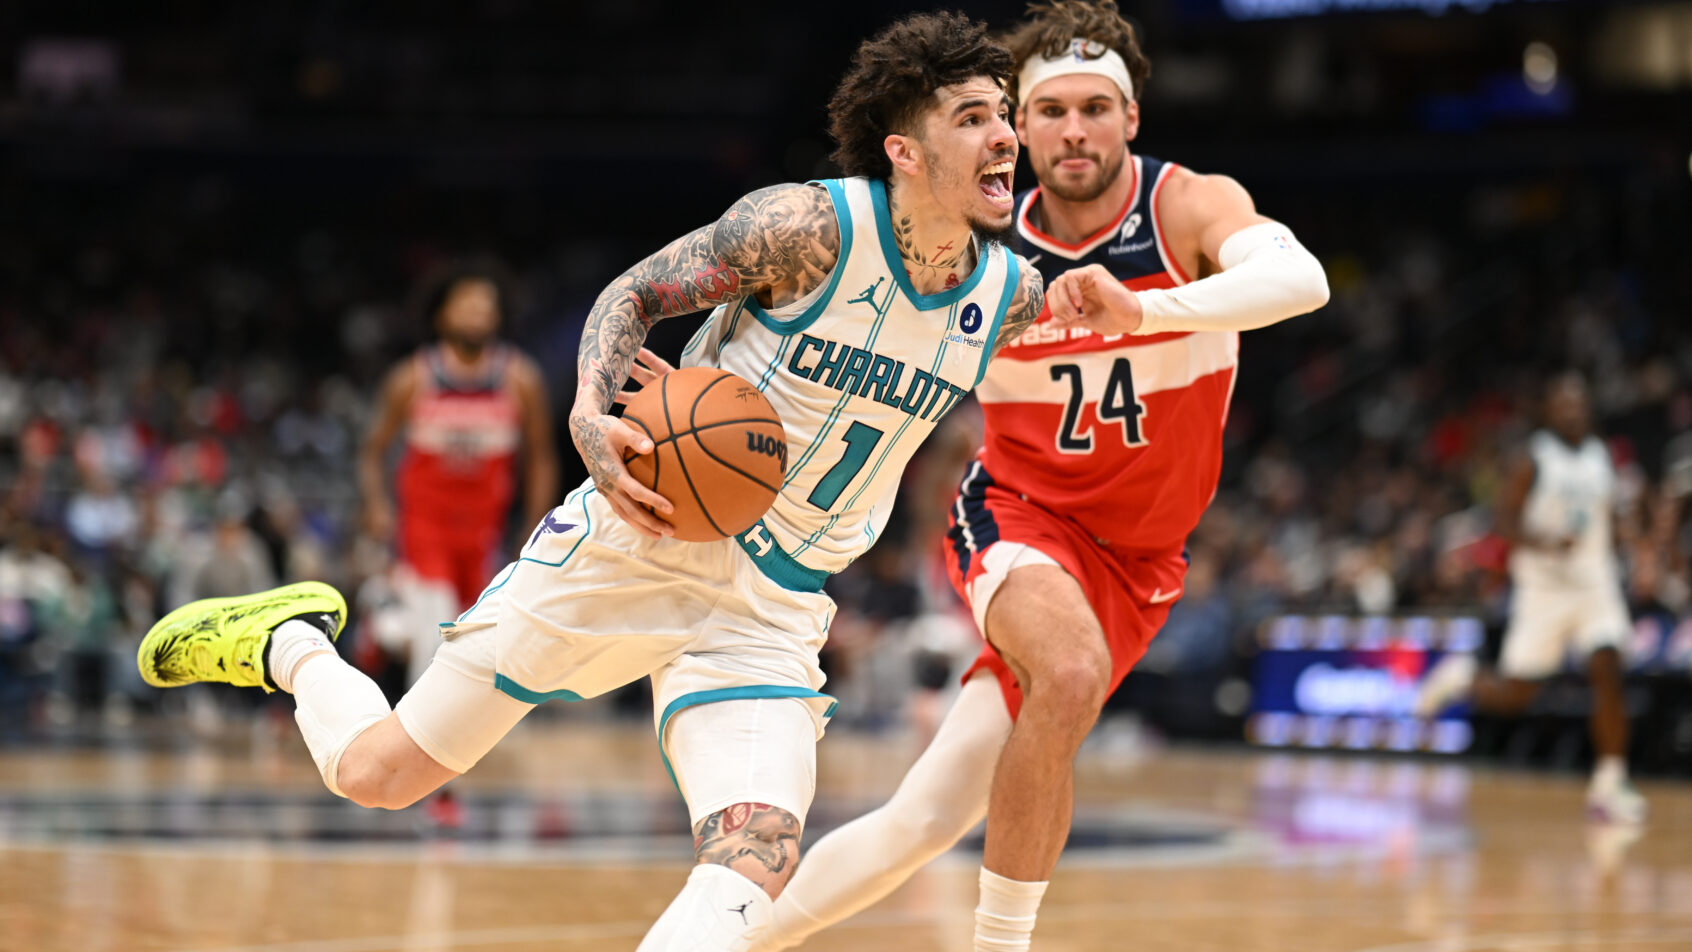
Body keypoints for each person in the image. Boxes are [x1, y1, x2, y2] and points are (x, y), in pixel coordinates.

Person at [132, 13, 1145, 951]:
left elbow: (1121, 317)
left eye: (1007, 116)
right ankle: (291, 646)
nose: (1007, 136)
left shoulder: (1010, 292)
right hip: (641, 536)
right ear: (905, 150)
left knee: (755, 851)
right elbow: (639, 292)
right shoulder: (806, 230)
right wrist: (588, 409)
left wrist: (1120, 302)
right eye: (976, 118)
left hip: (773, 603)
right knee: (381, 773)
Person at [754, 3, 1330, 950]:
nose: (1073, 131)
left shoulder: (1186, 207)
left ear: (1131, 117)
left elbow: (1300, 280)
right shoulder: (984, 239)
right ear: (1018, 125)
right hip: (1017, 516)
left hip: (1140, 564)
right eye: (1050, 110)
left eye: (1095, 109)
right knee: (1066, 669)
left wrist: (1140, 313)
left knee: (923, 819)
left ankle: (730, 939)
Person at [1417, 372, 1645, 823]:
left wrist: (1628, 540)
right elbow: (1503, 521)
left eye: (1578, 402)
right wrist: (1545, 543)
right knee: (1517, 693)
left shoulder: (1602, 456)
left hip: (1594, 584)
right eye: (1562, 402)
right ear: (1548, 411)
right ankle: (1463, 676)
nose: (1572, 409)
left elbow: (1608, 519)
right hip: (1543, 590)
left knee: (1607, 666)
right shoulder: (1533, 459)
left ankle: (1610, 783)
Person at [358, 261, 560, 684]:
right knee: (436, 621)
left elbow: (541, 456)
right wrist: (377, 505)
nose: (477, 313)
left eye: (486, 307)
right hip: (425, 525)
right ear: (442, 314)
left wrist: (537, 522)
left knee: (480, 631)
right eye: (467, 304)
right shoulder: (412, 377)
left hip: (485, 528)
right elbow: (372, 451)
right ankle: (421, 729)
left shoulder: (519, 378)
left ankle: (387, 633)